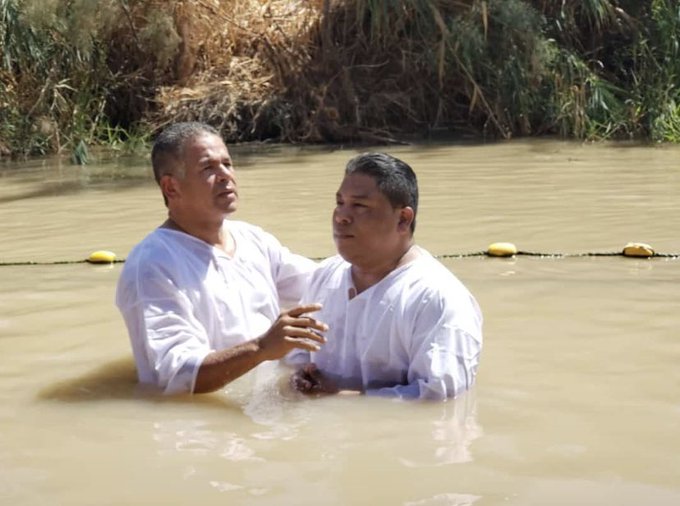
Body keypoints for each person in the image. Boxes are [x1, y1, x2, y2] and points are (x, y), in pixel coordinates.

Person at [116, 122, 327, 395]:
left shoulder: (253, 239)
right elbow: (177, 375)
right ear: (171, 188)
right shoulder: (152, 265)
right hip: (202, 429)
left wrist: (383, 258)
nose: (226, 175)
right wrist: (262, 348)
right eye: (208, 168)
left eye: (227, 164)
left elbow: (323, 284)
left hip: (266, 410)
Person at [288, 152, 483, 401]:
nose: (341, 216)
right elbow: (297, 355)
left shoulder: (437, 297)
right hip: (328, 436)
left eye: (359, 206)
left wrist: (342, 397)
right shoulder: (325, 276)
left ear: (403, 219)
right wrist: (298, 376)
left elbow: (438, 399)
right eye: (340, 203)